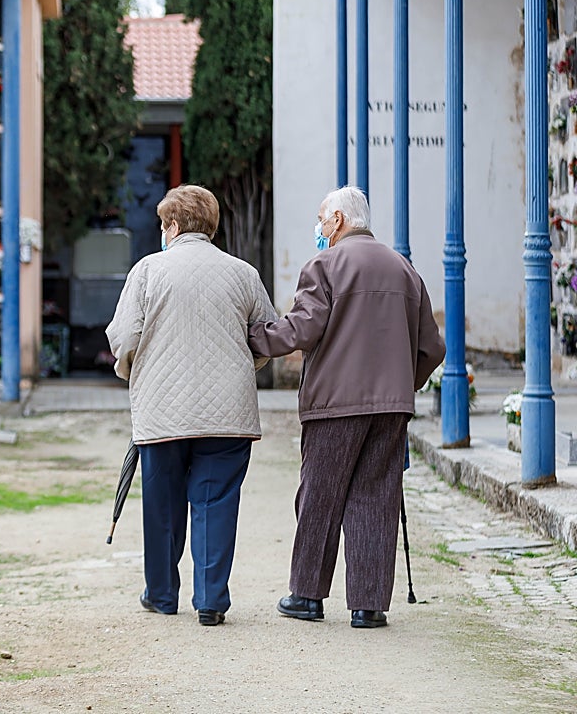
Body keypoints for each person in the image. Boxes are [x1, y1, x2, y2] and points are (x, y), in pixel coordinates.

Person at [247, 186, 445, 630]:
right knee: (377, 498)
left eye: (321, 219)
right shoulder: (405, 270)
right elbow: (432, 347)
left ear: (338, 219)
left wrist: (255, 337)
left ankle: (307, 595)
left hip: (335, 404)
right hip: (391, 409)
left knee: (319, 495)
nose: (318, 228)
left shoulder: (325, 265)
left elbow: (302, 328)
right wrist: (401, 384)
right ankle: (369, 606)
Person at [106, 185, 276, 626]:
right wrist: (243, 368)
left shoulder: (147, 271)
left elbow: (124, 338)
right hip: (229, 413)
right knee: (216, 501)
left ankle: (162, 595)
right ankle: (211, 600)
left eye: (164, 223)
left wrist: (132, 371)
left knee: (161, 505)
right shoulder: (243, 273)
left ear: (174, 226)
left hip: (162, 412)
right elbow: (266, 335)